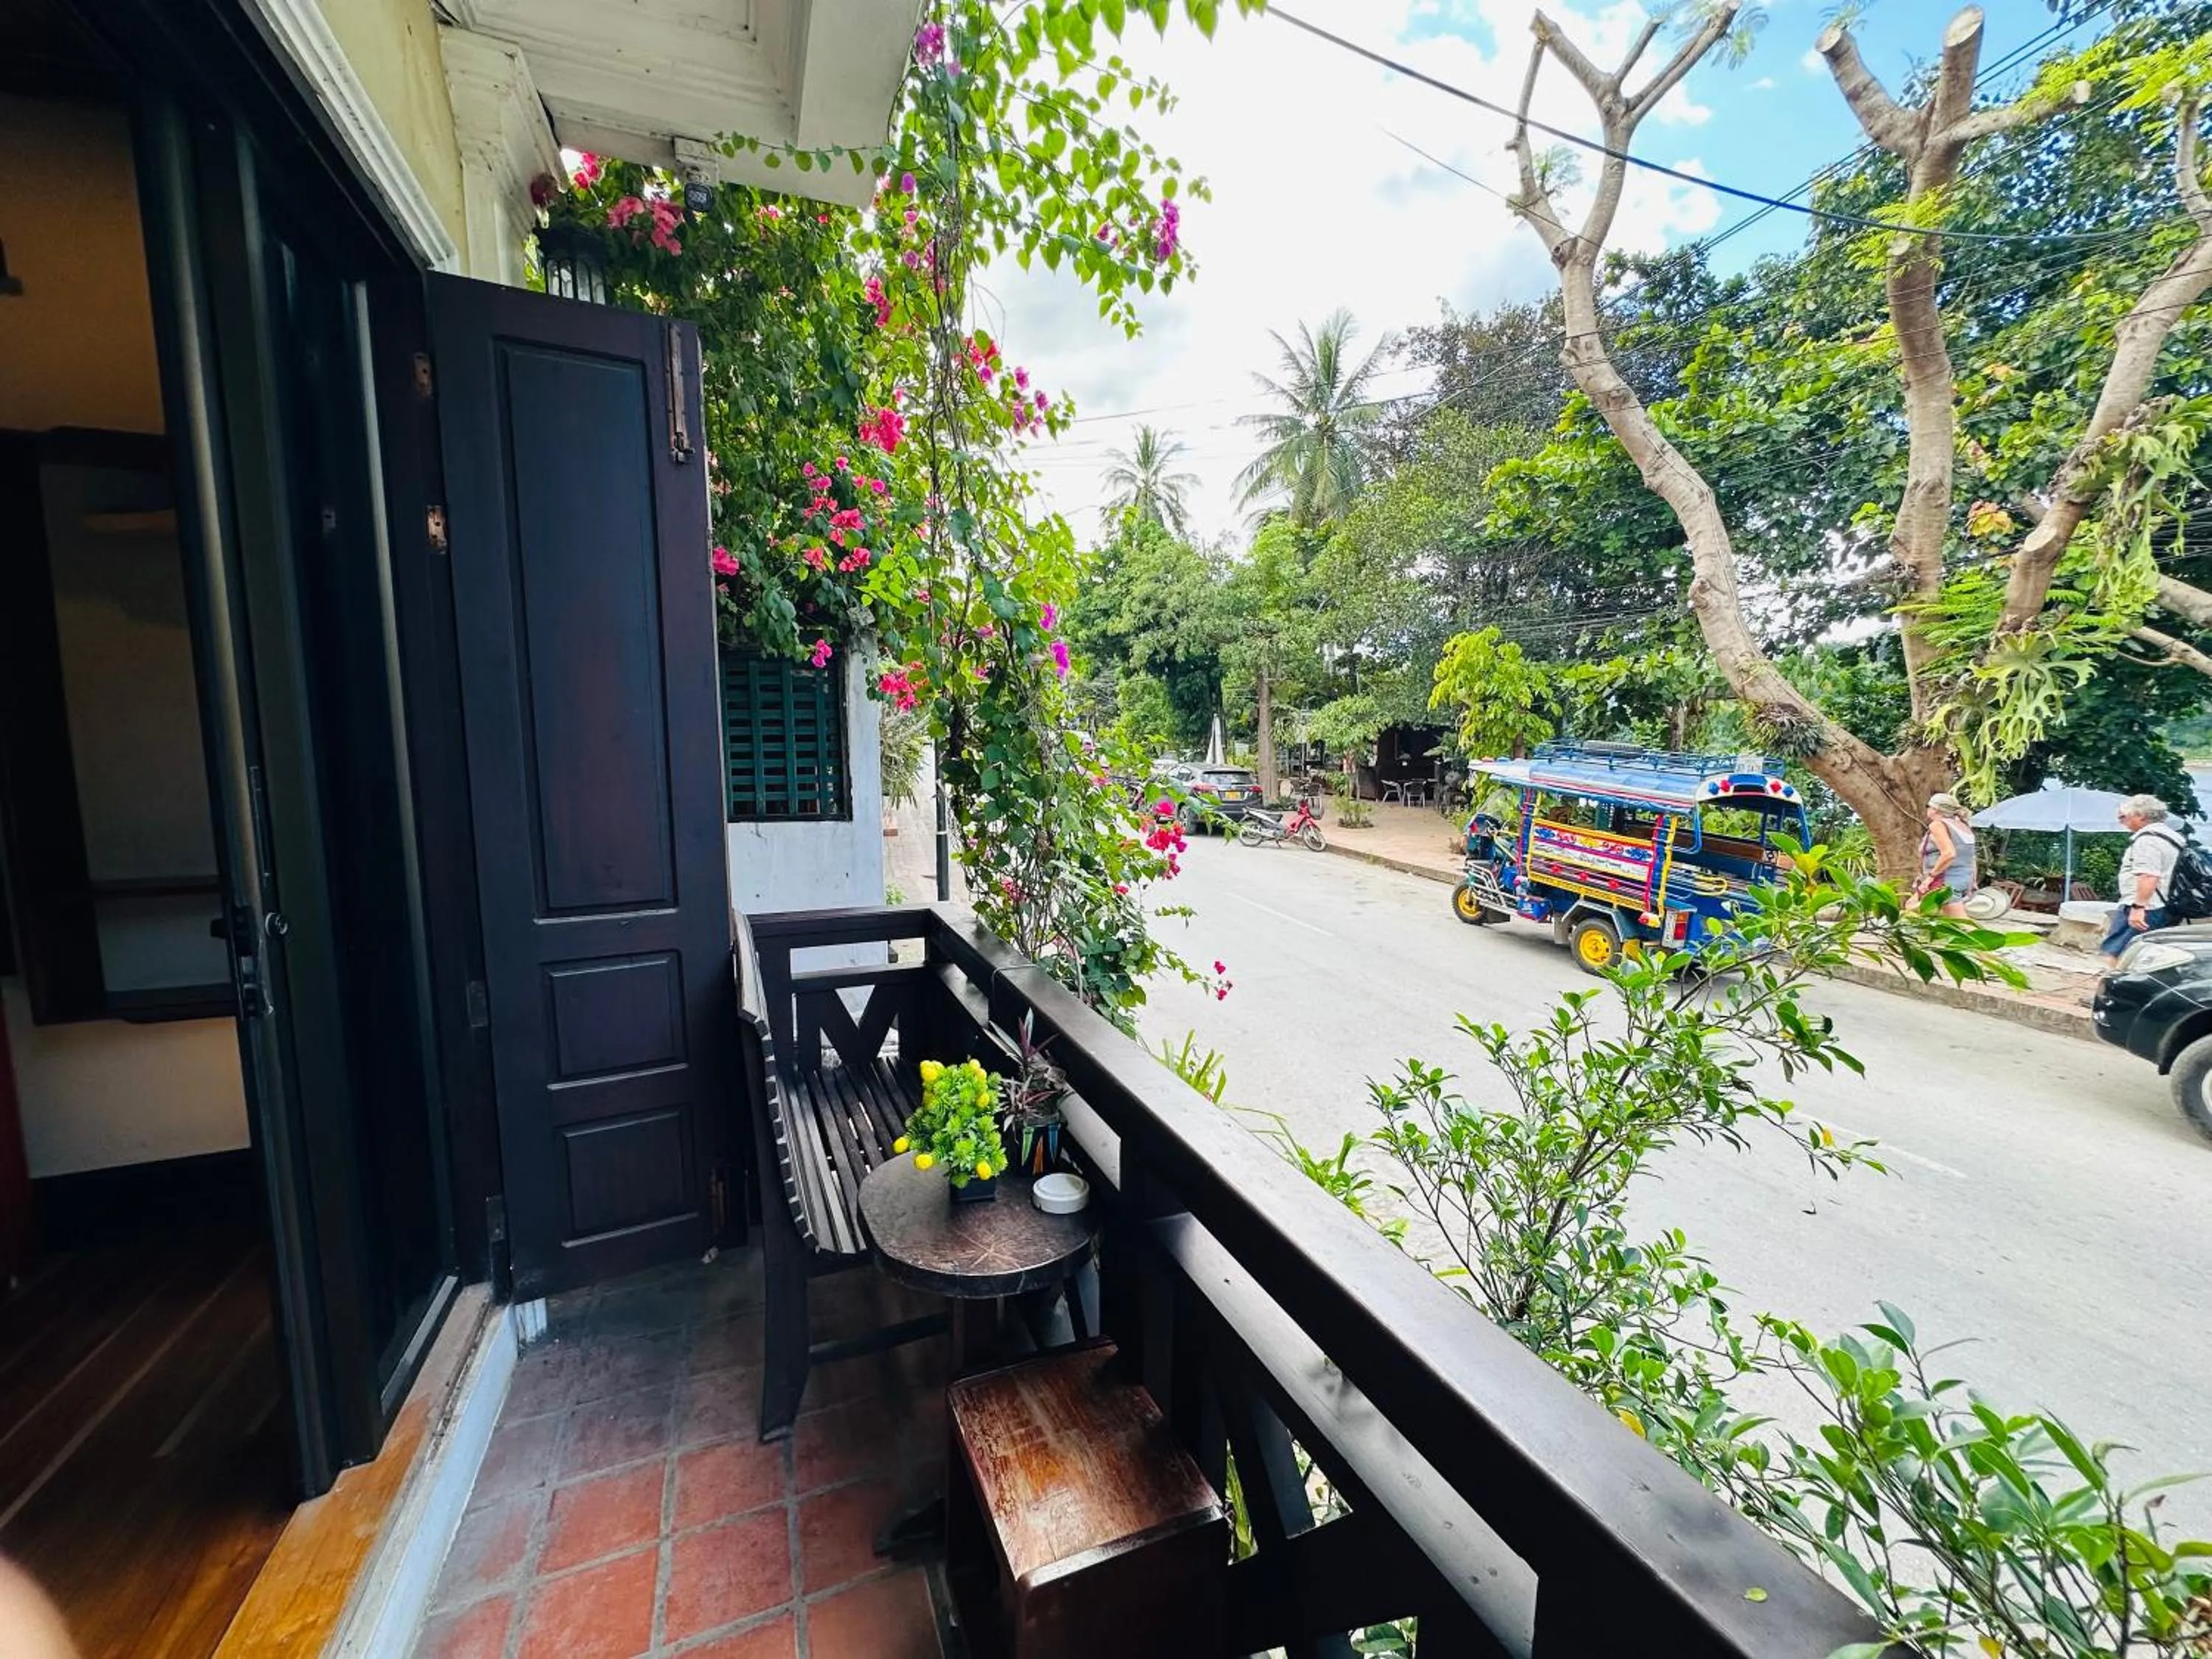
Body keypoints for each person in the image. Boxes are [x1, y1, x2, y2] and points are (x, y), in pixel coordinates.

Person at [2098, 793, 2185, 961]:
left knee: (2117, 954)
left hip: (2146, 907)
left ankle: (2113, 979)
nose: (2121, 822)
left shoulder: (2148, 840)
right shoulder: (2174, 838)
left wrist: (2138, 908)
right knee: (2147, 957)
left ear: (2141, 816)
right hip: (2165, 905)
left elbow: (2148, 876)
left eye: (2123, 817)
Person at [1913, 793, 1978, 917]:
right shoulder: (1964, 826)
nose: (1927, 809)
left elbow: (1949, 853)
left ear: (1936, 809)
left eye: (1928, 806)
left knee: (1964, 925)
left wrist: (1930, 878)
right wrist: (1973, 881)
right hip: (1964, 879)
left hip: (1946, 882)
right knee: (1912, 906)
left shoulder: (1938, 825)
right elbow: (1972, 858)